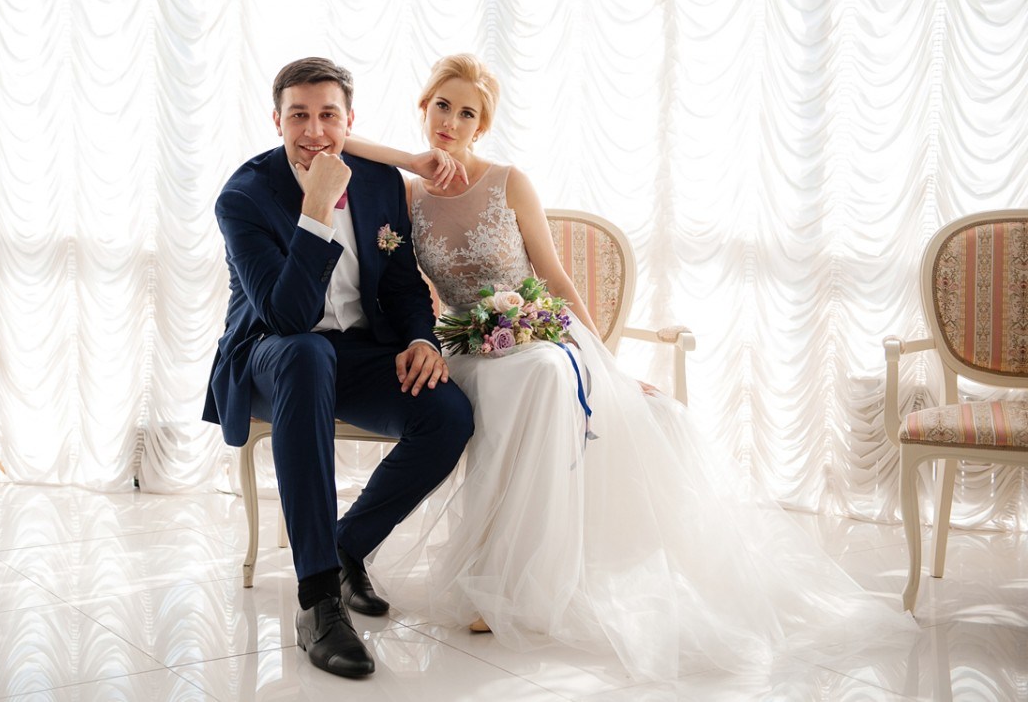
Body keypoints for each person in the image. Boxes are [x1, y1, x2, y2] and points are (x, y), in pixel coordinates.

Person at [345, 54, 915, 681]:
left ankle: (517, 582)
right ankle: (494, 571)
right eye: (442, 106)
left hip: (536, 336)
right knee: (524, 382)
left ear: (482, 126)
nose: (451, 122)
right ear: (424, 107)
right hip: (466, 345)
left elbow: (554, 278)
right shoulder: (405, 195)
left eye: (466, 113)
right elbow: (336, 139)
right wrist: (411, 160)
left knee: (552, 378)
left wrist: (607, 366)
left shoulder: (509, 181)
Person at [202, 57, 474, 679]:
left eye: (329, 115)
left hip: (354, 350)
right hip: (270, 356)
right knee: (306, 352)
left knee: (447, 414)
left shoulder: (379, 183)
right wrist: (317, 207)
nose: (314, 130)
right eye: (298, 115)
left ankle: (347, 547)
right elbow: (288, 317)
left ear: (351, 121)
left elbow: (402, 284)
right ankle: (319, 598)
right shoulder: (244, 197)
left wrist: (421, 338)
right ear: (276, 121)